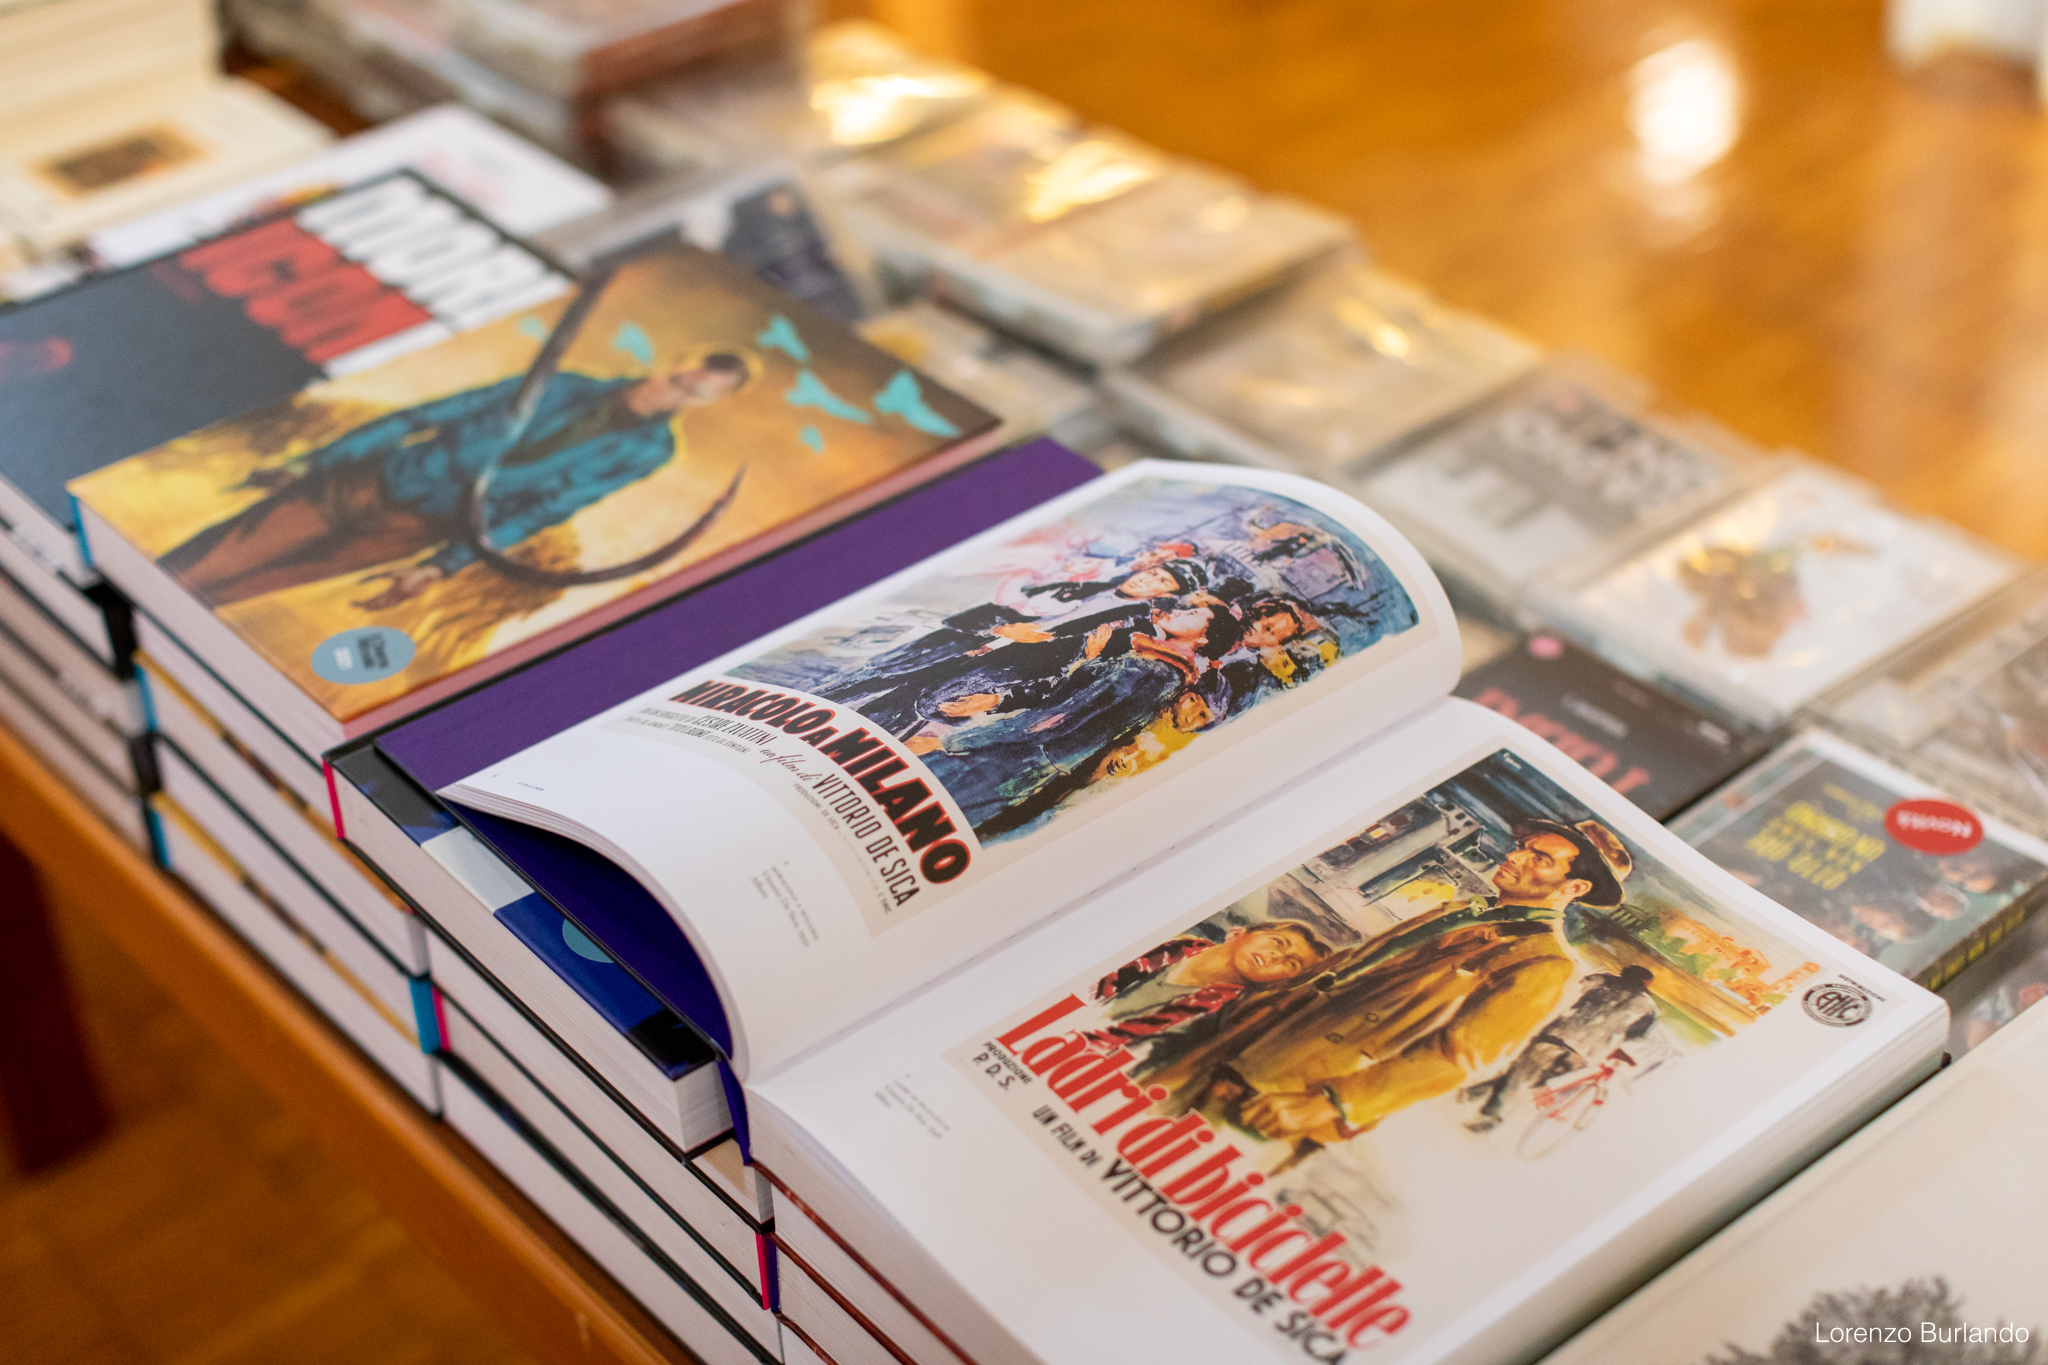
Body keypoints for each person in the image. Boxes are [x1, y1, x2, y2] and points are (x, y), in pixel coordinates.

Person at [1139, 818, 1634, 1152]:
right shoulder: (1464, 910)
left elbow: (1460, 1056)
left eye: (1539, 859)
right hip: (1249, 1037)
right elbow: (1359, 964)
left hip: (1297, 1087)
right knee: (1140, 1115)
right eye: (1523, 848)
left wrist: (1335, 1103)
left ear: (1574, 888)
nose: (1516, 858)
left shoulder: (1545, 962)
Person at [158, 353, 754, 609]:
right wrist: (313, 463)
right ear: (671, 365)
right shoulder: (562, 383)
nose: (674, 394)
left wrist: (442, 567)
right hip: (373, 480)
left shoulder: (648, 452)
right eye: (681, 379)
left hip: (419, 528)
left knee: (242, 589)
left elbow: (543, 509)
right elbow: (425, 416)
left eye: (695, 395)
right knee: (207, 565)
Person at [1460, 964, 1659, 1132]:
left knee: (1519, 1073)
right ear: (1644, 985)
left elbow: (1576, 989)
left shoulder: (1602, 980)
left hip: (1558, 1035)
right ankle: (1481, 1090)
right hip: (1586, 1052)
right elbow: (1638, 1034)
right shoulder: (1647, 1006)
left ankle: (1489, 1114)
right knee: (1538, 1080)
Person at [1085, 921, 1334, 1055]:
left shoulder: (1216, 1020)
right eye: (1278, 942)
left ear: (1280, 982)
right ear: (1237, 933)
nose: (1276, 956)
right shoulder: (1164, 943)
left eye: (1291, 963)